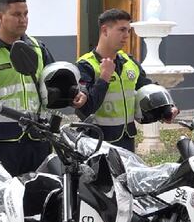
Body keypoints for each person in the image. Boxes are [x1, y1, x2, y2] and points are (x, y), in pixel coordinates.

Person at [0, 0, 87, 176]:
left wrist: (77, 93)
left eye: (25, 14)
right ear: (0, 17)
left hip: (37, 143)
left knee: (42, 198)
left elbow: (58, 84)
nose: (23, 19)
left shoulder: (38, 48)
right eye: (16, 14)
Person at [76, 8, 178, 151]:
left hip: (127, 139)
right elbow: (85, 109)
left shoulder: (129, 62)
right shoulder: (85, 65)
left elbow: (146, 87)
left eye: (128, 31)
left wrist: (168, 109)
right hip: (98, 142)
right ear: (105, 30)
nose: (126, 36)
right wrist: (104, 78)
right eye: (122, 30)